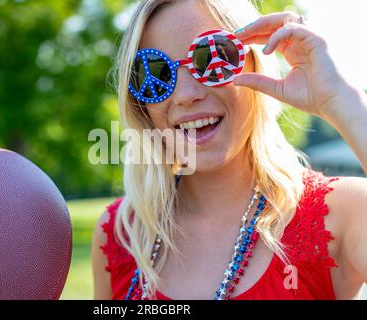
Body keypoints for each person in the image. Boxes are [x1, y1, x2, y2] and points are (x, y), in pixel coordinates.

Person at [92, 0, 367, 300]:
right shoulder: (120, 234)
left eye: (212, 57)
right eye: (153, 74)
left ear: (255, 62)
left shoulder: (339, 215)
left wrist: (340, 100)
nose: (186, 95)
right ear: (141, 106)